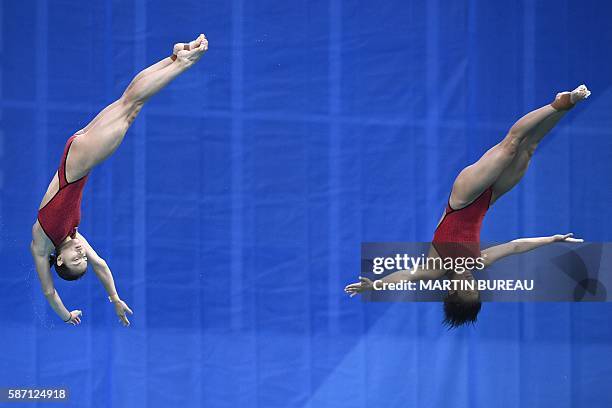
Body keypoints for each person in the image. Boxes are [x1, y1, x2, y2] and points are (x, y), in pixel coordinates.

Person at [345, 85, 590, 328]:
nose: (473, 284)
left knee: (510, 146)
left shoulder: (435, 269)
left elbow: (406, 276)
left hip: (462, 199)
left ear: (451, 292)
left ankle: (556, 104)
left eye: (468, 290)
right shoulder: (478, 262)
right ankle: (567, 106)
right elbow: (515, 246)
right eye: (477, 290)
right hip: (488, 199)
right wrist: (551, 239)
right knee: (528, 149)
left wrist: (374, 285)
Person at [29, 34, 208, 326]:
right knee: (129, 102)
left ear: (58, 260)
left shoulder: (42, 244)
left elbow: (48, 291)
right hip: (76, 153)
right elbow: (101, 267)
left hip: (77, 164)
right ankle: (176, 56)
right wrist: (115, 299)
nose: (80, 254)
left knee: (129, 110)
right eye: (81, 258)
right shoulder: (73, 238)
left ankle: (183, 64)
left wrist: (65, 315)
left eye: (75, 260)